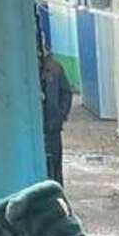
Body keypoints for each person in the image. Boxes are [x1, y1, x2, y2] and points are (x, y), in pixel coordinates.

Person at [41, 50, 74, 185]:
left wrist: (60, 115)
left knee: (54, 165)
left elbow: (66, 93)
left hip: (52, 127)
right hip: (36, 127)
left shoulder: (55, 69)